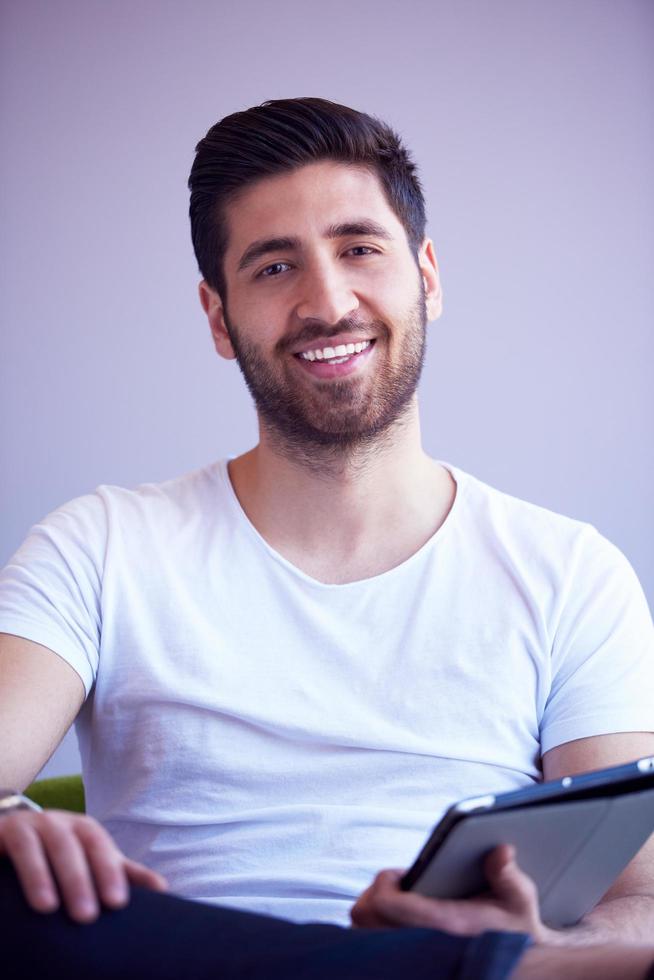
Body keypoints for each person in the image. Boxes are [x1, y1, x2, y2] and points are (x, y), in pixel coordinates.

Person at [1, 97, 653, 978]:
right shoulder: (102, 543)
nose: (327, 300)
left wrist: (540, 943)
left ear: (426, 273)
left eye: (359, 249)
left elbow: (642, 909)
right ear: (219, 317)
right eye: (273, 268)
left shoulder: (570, 572)